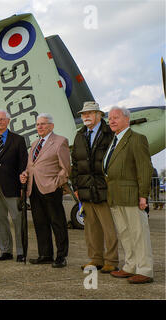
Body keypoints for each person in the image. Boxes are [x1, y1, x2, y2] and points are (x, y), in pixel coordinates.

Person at [104, 106, 154, 284]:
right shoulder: (115, 140)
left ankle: (145, 269)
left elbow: (144, 168)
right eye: (109, 118)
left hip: (132, 195)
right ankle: (130, 266)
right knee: (125, 234)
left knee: (139, 233)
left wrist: (143, 195)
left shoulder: (136, 139)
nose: (111, 121)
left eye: (116, 117)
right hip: (116, 196)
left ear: (127, 119)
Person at [71, 101, 119, 273]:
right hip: (85, 188)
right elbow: (75, 163)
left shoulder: (109, 134)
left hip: (103, 187)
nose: (86, 117)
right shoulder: (80, 135)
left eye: (90, 113)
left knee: (109, 227)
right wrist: (76, 185)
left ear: (99, 115)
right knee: (91, 228)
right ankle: (96, 259)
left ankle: (111, 260)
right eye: (84, 114)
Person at [20, 113, 70, 268]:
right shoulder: (34, 144)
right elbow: (31, 166)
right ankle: (45, 254)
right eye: (37, 124)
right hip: (34, 189)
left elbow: (65, 168)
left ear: (51, 126)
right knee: (40, 223)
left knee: (58, 223)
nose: (39, 127)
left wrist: (55, 184)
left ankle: (61, 256)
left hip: (51, 189)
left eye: (43, 124)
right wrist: (25, 175)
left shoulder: (60, 141)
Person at [0, 110, 28, 262]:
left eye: (2, 119)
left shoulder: (19, 140)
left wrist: (23, 188)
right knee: (0, 220)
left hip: (13, 187)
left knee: (18, 220)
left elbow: (23, 164)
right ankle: (6, 251)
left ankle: (21, 251)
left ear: (8, 121)